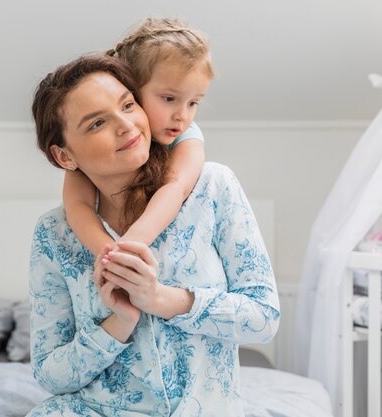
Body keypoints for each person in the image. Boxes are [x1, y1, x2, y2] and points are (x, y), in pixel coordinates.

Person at [28, 53, 279, 417]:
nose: (126, 125)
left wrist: (160, 298)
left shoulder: (211, 187)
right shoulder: (54, 233)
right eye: (97, 122)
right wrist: (119, 323)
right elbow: (50, 375)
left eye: (128, 105)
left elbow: (263, 318)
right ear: (65, 156)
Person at [62, 18, 213, 265]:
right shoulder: (85, 157)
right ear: (130, 86)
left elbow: (175, 188)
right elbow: (76, 206)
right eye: (169, 98)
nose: (182, 115)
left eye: (193, 102)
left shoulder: (187, 136)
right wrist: (110, 255)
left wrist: (132, 244)